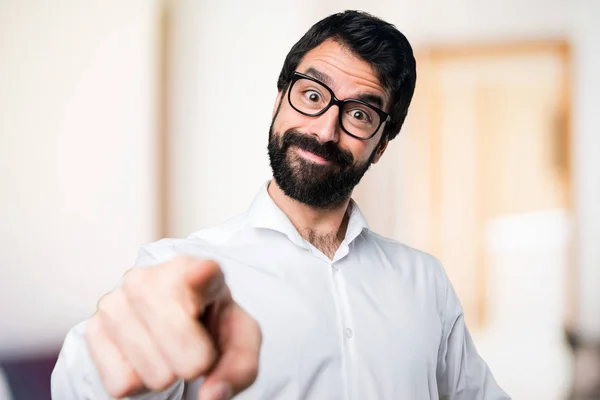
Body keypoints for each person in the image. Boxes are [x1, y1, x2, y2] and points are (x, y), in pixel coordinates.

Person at [51, 10, 510, 400]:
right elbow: (86, 386)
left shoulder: (425, 282)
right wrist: (108, 352)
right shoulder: (180, 272)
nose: (325, 130)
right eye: (312, 95)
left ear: (382, 145)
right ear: (279, 101)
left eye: (359, 114)